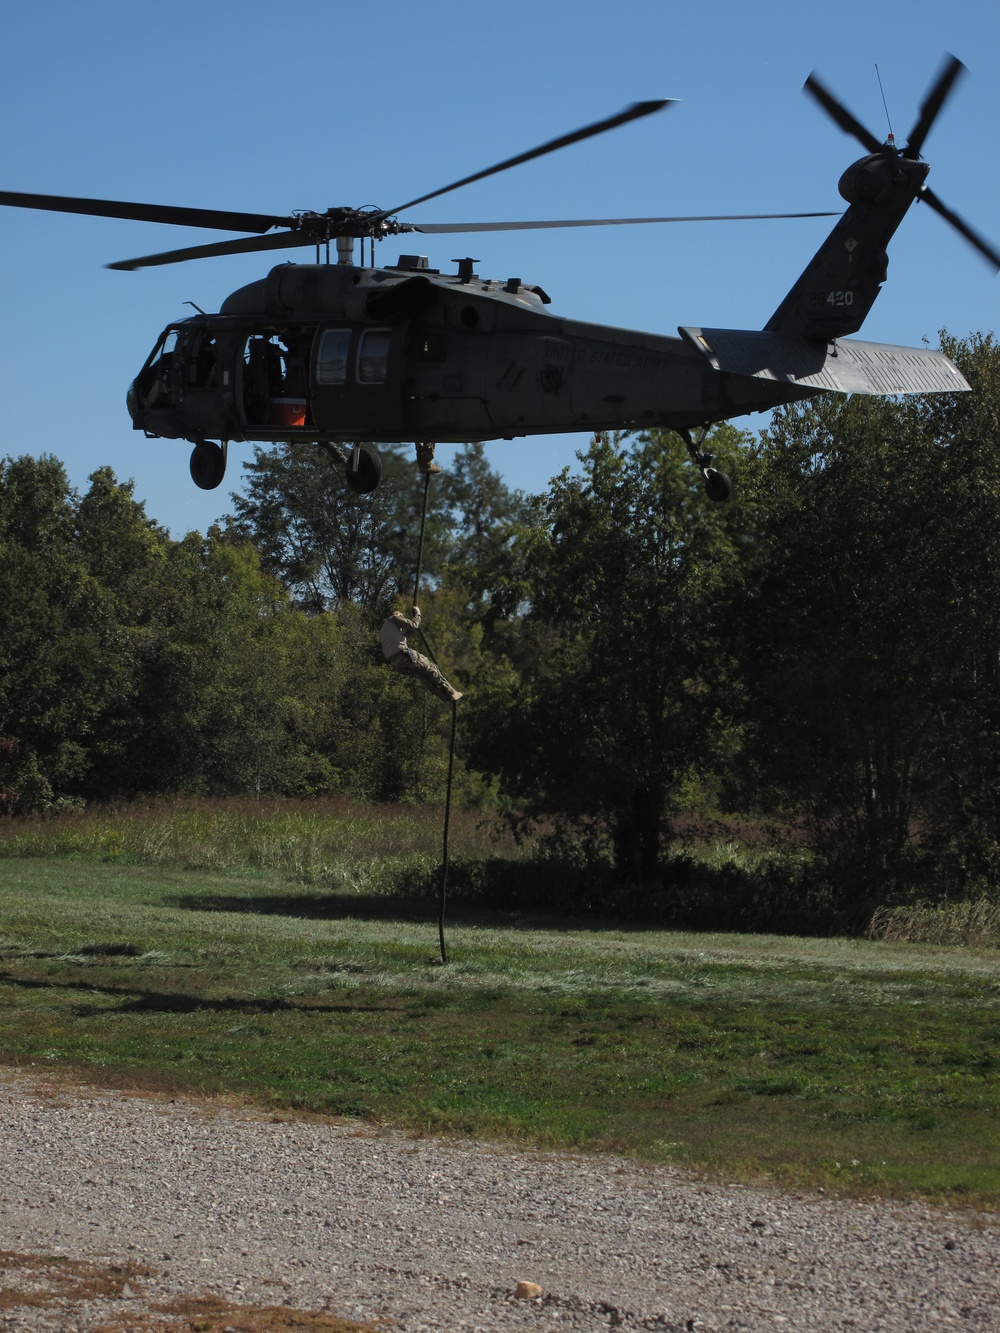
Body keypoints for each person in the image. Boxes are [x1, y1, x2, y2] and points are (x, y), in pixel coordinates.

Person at [380, 604, 461, 703]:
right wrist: (418, 614)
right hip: (404, 654)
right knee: (431, 668)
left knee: (424, 678)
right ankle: (451, 692)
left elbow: (403, 637)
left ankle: (444, 698)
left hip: (396, 663)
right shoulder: (395, 618)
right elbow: (414, 625)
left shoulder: (385, 629)